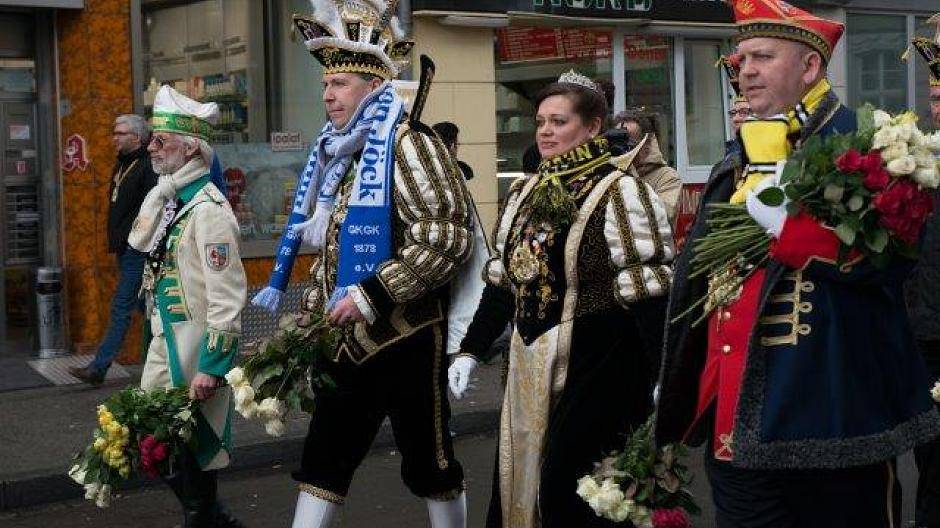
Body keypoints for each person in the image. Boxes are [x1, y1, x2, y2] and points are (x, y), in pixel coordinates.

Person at [655, 2, 940, 527]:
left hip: (833, 421)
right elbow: (699, 281)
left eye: (763, 56)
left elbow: (891, 265)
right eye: (741, 58)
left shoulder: (868, 142)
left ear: (809, 68)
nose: (745, 70)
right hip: (735, 423)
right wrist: (676, 380)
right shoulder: (735, 156)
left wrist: (792, 232)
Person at [254, 2, 475, 526]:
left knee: (431, 464)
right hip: (346, 341)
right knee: (323, 462)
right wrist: (309, 312)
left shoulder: (410, 144)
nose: (328, 94)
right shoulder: (343, 155)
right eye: (326, 83)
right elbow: (333, 249)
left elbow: (446, 239)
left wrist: (371, 293)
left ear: (374, 87)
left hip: (408, 337)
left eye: (342, 82)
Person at [449, 70, 675, 527]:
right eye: (540, 122)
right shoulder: (524, 190)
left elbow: (650, 293)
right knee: (520, 482)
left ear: (592, 127)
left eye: (558, 121)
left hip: (600, 364)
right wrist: (471, 350)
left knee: (570, 489)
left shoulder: (621, 191)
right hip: (529, 361)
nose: (546, 131)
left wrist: (662, 374)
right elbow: (503, 281)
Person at [128, 85, 247, 527]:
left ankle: (203, 516)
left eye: (162, 141)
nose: (152, 148)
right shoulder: (175, 201)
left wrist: (213, 365)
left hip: (194, 347)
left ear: (191, 147)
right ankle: (212, 517)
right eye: (152, 139)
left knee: (191, 441)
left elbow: (228, 294)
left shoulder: (208, 210)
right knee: (151, 438)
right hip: (166, 342)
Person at [69, 114, 157, 385]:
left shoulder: (148, 166)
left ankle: (99, 367)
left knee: (121, 306)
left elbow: (152, 210)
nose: (114, 138)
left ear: (138, 137)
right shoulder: (121, 166)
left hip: (137, 250)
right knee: (149, 308)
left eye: (120, 133)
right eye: (113, 133)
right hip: (124, 249)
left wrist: (137, 241)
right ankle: (172, 354)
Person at [906, 16, 940, 527]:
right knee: (932, 457)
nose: (938, 108)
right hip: (924, 330)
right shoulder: (915, 161)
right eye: (935, 100)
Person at [613, 108, 682, 223]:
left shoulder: (668, 177)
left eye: (630, 143)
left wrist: (629, 172)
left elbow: (662, 217)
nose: (622, 149)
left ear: (647, 145)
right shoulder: (610, 172)